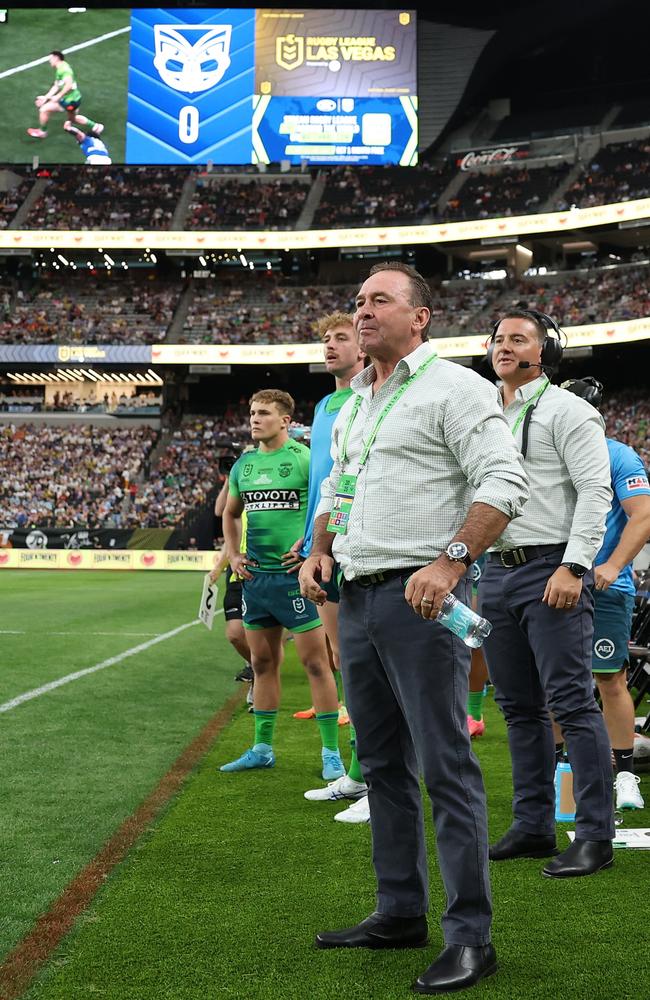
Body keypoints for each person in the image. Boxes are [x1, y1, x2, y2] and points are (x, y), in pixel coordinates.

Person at [299, 262, 529, 995]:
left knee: (445, 768)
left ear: (420, 317)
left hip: (421, 600)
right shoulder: (357, 400)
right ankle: (399, 911)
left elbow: (504, 481)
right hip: (358, 599)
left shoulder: (455, 388)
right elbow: (342, 485)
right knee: (382, 766)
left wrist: (452, 560)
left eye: (379, 301)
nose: (362, 312)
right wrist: (321, 548)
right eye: (358, 302)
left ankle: (471, 937)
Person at [478, 310, 615, 879]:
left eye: (518, 338)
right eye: (498, 338)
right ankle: (534, 825)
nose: (503, 346)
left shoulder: (568, 410)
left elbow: (594, 490)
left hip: (548, 567)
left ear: (546, 351)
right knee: (517, 707)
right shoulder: (483, 410)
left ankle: (594, 834)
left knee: (573, 703)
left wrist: (575, 565)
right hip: (495, 570)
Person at [221, 389, 344, 779]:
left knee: (315, 663)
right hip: (257, 580)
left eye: (264, 413)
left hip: (296, 579)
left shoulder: (304, 459)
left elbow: (328, 504)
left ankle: (330, 753)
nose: (255, 419)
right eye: (253, 412)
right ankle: (262, 748)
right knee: (261, 663)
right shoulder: (244, 465)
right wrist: (233, 554)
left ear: (285, 421)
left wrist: (311, 548)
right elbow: (230, 513)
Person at [288, 312, 370, 820]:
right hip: (324, 541)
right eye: (325, 339)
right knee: (345, 659)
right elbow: (324, 477)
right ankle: (361, 774)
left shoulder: (368, 396)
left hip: (359, 540)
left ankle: (376, 778)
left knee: (364, 663)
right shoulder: (322, 404)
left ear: (362, 346)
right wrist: (311, 540)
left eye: (341, 337)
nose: (330, 346)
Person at [559, 377, 650, 810]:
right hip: (552, 580)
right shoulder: (547, 454)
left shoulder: (617, 455)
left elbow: (643, 516)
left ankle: (625, 771)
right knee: (554, 683)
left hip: (604, 588)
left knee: (609, 677)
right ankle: (563, 773)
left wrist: (612, 567)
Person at [27, 51, 103, 140]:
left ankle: (42, 132)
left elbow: (69, 85)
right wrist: (46, 97)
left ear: (56, 58)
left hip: (69, 100)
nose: (49, 61)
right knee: (73, 119)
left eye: (50, 59)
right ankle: (96, 126)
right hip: (73, 98)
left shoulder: (64, 70)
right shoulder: (60, 68)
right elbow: (56, 85)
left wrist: (58, 97)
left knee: (44, 109)